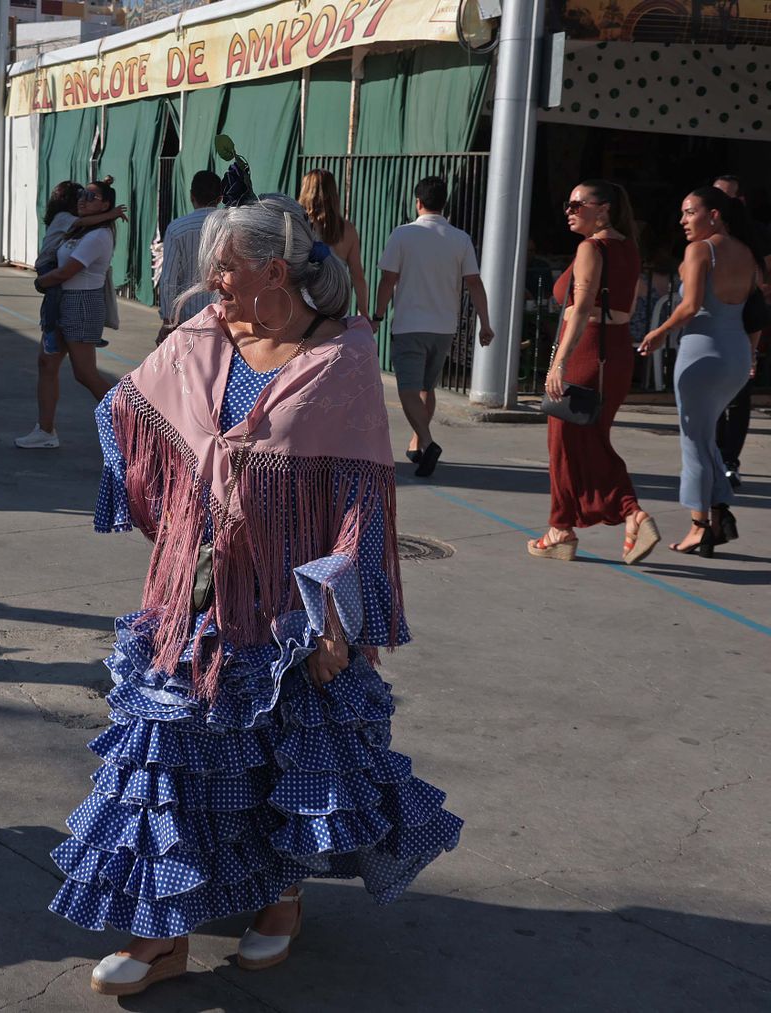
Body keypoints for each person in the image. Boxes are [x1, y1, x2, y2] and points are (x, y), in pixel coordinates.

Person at [51, 193, 460, 996]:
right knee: (167, 753)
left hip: (289, 607)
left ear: (276, 270)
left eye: (227, 268)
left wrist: (336, 608)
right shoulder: (199, 337)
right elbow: (126, 415)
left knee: (285, 755)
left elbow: (362, 501)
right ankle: (159, 932)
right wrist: (166, 510)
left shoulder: (340, 360)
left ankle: (280, 901)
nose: (212, 281)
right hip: (194, 595)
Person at [531, 180, 659, 564]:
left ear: (602, 209)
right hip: (614, 354)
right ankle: (561, 528)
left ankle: (630, 513)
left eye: (576, 204)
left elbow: (583, 305)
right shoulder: (627, 248)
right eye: (568, 204)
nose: (568, 211)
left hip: (588, 351)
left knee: (567, 443)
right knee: (581, 441)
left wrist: (559, 362)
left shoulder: (592, 247)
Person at [640, 186, 760, 556]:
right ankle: (718, 514)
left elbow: (690, 305)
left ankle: (699, 526)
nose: (683, 221)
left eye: (690, 212)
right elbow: (756, 309)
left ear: (715, 215)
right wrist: (752, 355)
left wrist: (659, 332)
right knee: (706, 440)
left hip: (702, 353)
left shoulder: (700, 250)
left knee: (693, 442)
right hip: (737, 353)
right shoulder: (747, 253)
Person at [372, 176, 494, 477]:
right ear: (444, 204)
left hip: (410, 325)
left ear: (418, 202)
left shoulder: (403, 234)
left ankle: (427, 440)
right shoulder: (460, 238)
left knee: (407, 390)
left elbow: (388, 279)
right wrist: (485, 323)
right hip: (443, 327)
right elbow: (474, 283)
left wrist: (376, 315)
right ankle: (418, 444)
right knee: (428, 387)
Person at [16, 179, 119, 449]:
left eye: (92, 196)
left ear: (105, 204)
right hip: (62, 302)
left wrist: (41, 282)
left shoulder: (99, 236)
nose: (83, 199)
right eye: (82, 195)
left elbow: (67, 271)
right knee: (46, 363)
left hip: (81, 304)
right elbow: (82, 224)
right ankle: (45, 431)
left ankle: (133, 423)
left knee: (84, 373)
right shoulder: (80, 228)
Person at [710, 175, 770, 489]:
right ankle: (715, 455)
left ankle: (730, 459)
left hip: (744, 318)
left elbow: (764, 281)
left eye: (727, 197)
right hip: (713, 321)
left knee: (739, 392)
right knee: (711, 396)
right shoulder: (704, 232)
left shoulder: (754, 235)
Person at [156, 169, 223, 344]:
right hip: (226, 313)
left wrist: (169, 319)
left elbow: (169, 278)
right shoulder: (230, 225)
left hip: (189, 315)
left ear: (192, 196)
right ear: (220, 198)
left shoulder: (177, 228)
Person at [299, 168, 368, 316]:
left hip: (303, 304)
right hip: (335, 302)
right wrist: (364, 312)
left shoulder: (299, 225)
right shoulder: (347, 229)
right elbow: (358, 276)